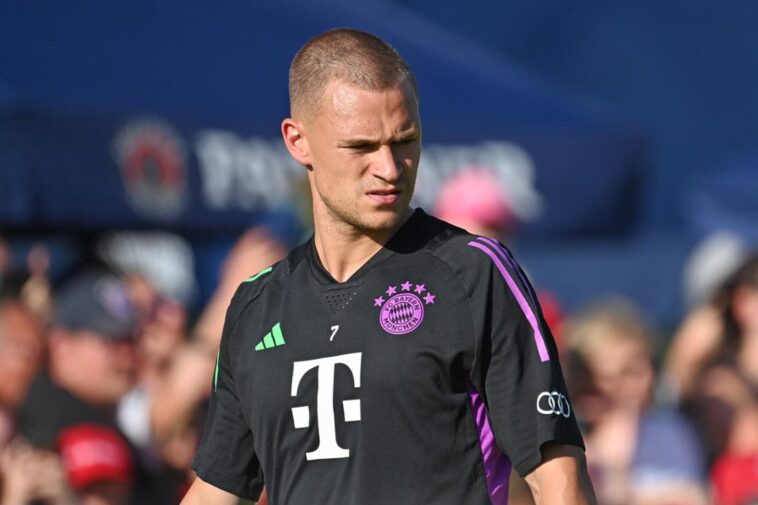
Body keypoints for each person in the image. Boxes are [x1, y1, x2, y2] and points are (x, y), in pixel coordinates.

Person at [182, 28, 595, 505]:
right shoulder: (256, 304)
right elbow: (215, 492)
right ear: (298, 141)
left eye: (405, 140)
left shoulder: (473, 273)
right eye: (361, 147)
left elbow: (559, 479)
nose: (390, 168)